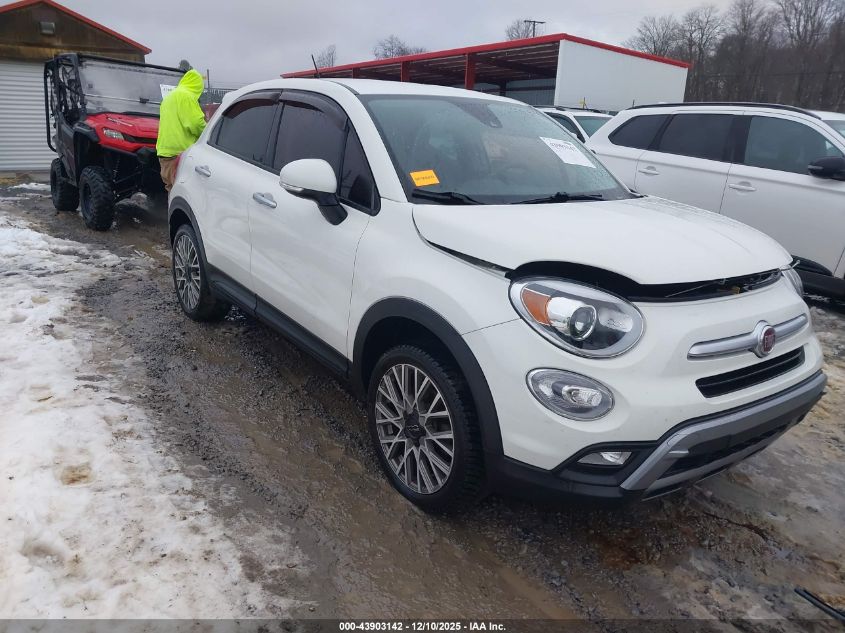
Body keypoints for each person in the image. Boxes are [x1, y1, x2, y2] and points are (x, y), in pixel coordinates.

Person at [156, 68, 206, 192]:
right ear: (197, 85)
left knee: (171, 190)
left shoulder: (169, 98)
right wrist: (209, 134)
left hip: (165, 153)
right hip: (179, 153)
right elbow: (195, 124)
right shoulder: (186, 96)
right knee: (183, 194)